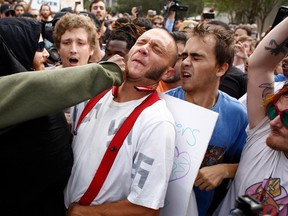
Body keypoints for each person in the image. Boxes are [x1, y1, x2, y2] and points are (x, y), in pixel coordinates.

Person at [0, 17, 122, 216]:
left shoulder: (113, 96)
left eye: (81, 43)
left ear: (93, 48)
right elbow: (39, 88)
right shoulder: (36, 88)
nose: (73, 49)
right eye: (66, 43)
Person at [64, 28, 178, 215]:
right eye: (141, 43)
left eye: (156, 49)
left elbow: (146, 208)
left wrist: (84, 212)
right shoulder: (95, 92)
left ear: (167, 73)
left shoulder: (157, 122)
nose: (144, 49)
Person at [165, 24, 248, 216]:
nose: (185, 62)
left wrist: (225, 170)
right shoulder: (162, 105)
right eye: (184, 56)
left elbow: (251, 164)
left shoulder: (236, 114)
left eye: (196, 57)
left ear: (221, 68)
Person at [214, 17, 288, 216]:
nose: (273, 121)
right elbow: (260, 64)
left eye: (287, 119)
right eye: (273, 111)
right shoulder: (263, 132)